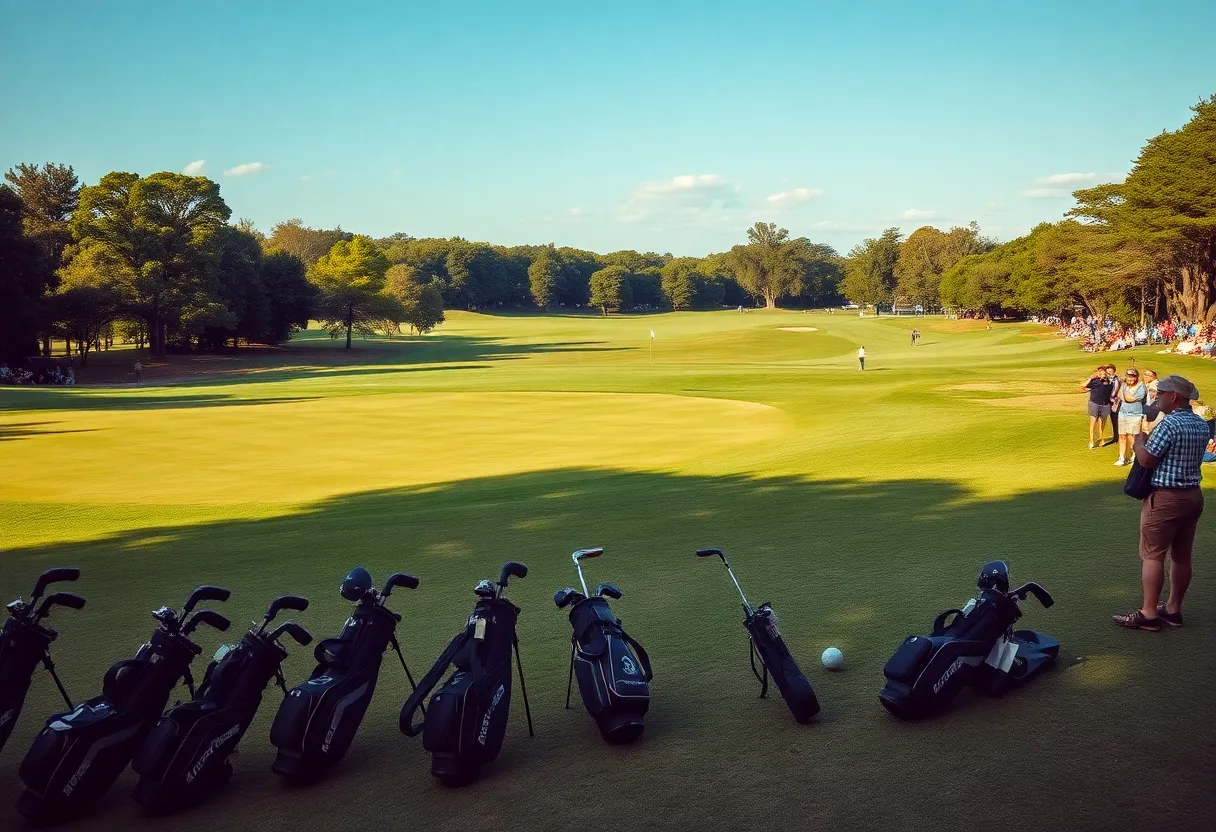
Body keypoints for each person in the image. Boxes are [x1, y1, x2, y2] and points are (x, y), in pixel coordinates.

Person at [1114, 375, 1207, 631]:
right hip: (1192, 496)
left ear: (1174, 397)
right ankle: (1174, 610)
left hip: (1166, 498)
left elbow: (1147, 460)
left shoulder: (1170, 424)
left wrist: (1139, 441)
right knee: (1181, 555)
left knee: (1153, 555)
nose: (1157, 398)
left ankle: (1149, 613)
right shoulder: (1200, 424)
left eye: (1161, 394)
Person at [1114, 368, 1146, 466]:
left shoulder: (1141, 387)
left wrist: (1123, 391)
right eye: (1128, 376)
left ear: (1136, 377)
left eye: (1132, 377)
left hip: (1135, 415)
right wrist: (1122, 389)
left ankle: (1134, 456)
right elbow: (1119, 395)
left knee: (1133, 437)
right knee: (1122, 435)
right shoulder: (1124, 385)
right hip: (1123, 414)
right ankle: (1122, 457)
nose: (1130, 379)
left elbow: (1130, 399)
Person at [1080, 366, 1113, 449]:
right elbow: (1083, 386)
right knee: (1093, 423)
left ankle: (1101, 439)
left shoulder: (1109, 382)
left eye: (1104, 374)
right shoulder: (1095, 381)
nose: (1103, 375)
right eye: (1101, 374)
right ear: (1098, 374)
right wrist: (1091, 378)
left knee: (1102, 423)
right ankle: (1091, 441)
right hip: (1094, 404)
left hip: (1105, 404)